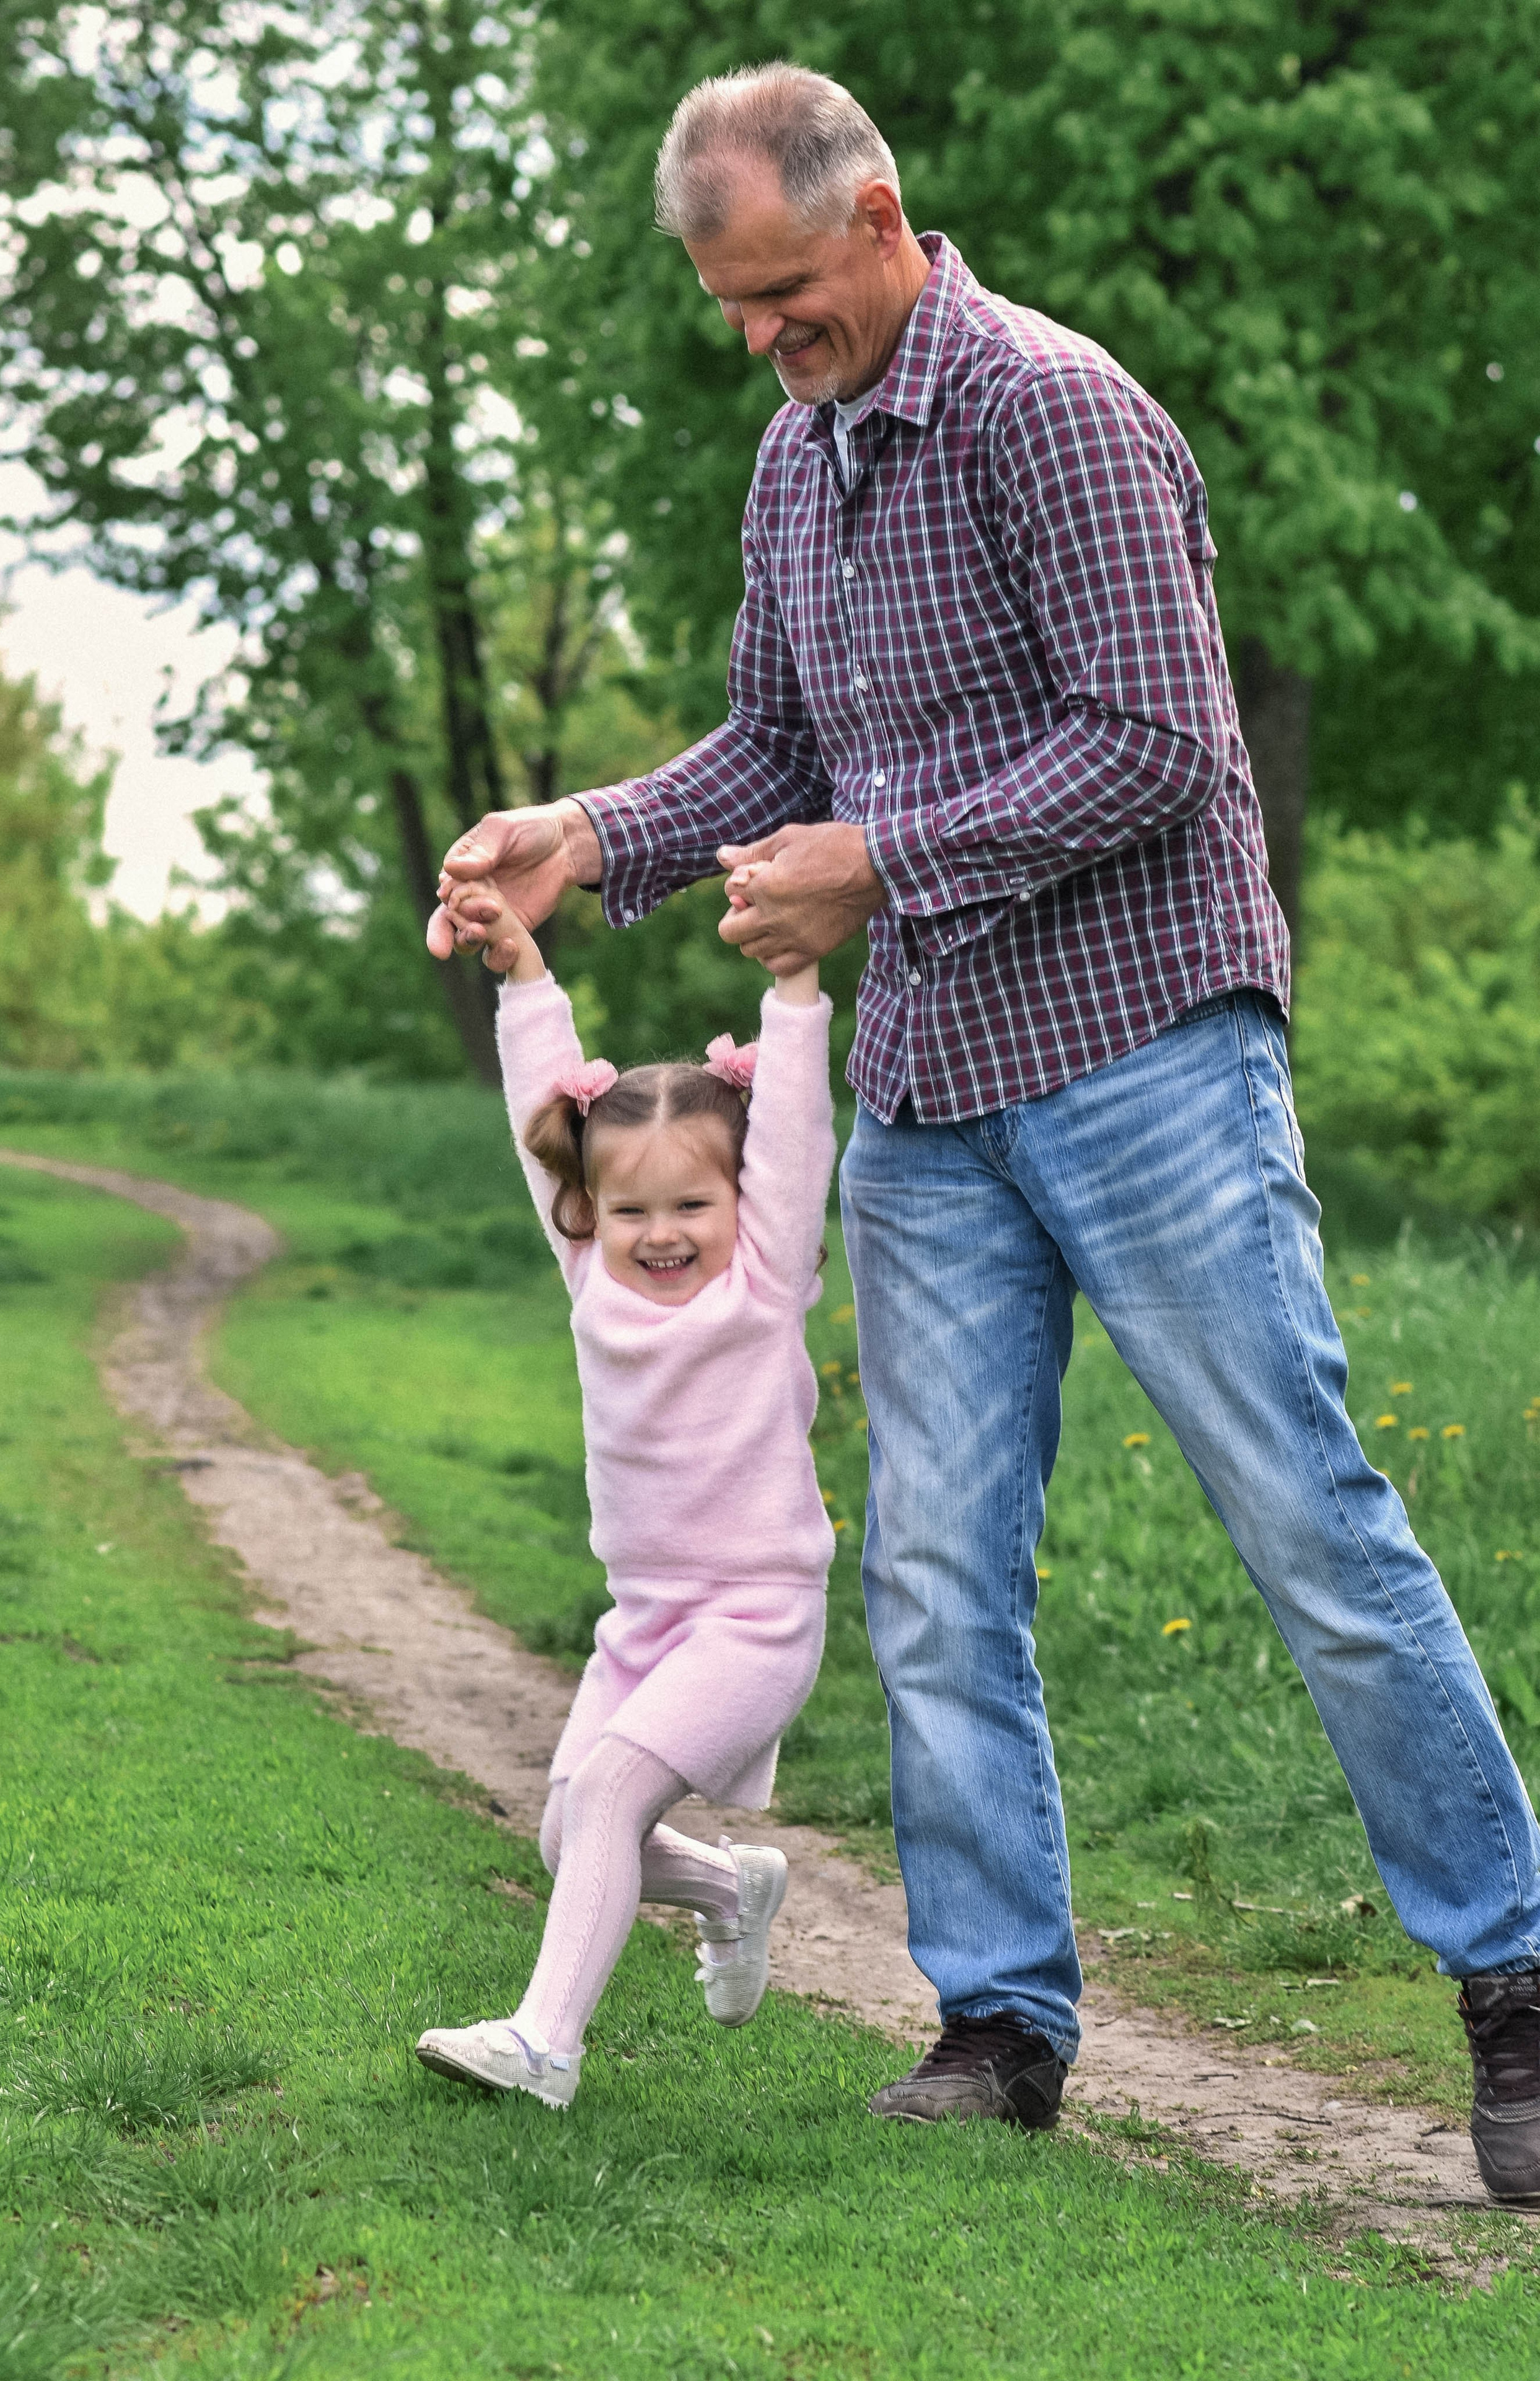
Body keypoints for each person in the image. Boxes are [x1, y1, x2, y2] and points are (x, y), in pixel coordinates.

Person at [428, 66, 1540, 2191]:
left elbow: (1153, 743)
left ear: (877, 217)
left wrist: (877, 868)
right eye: (730, 308)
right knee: (938, 1571)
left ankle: (1515, 1979)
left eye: (779, 292)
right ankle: (1001, 2020)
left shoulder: (1061, 412)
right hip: (930, 1101)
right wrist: (587, 834)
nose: (762, 336)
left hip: (1146, 1053)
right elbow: (773, 737)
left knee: (1306, 1518)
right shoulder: (796, 463)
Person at [416, 880, 836, 2109]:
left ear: (742, 1206)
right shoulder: (593, 1277)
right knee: (568, 1834)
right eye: (632, 1208)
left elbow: (800, 1134)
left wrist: (795, 987)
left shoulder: (760, 1288)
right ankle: (728, 1887)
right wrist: (521, 976)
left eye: (692, 1205)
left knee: (605, 1793)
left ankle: (545, 2046)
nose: (660, 1233)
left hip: (755, 1614)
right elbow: (535, 1112)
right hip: (643, 1617)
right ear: (590, 1210)